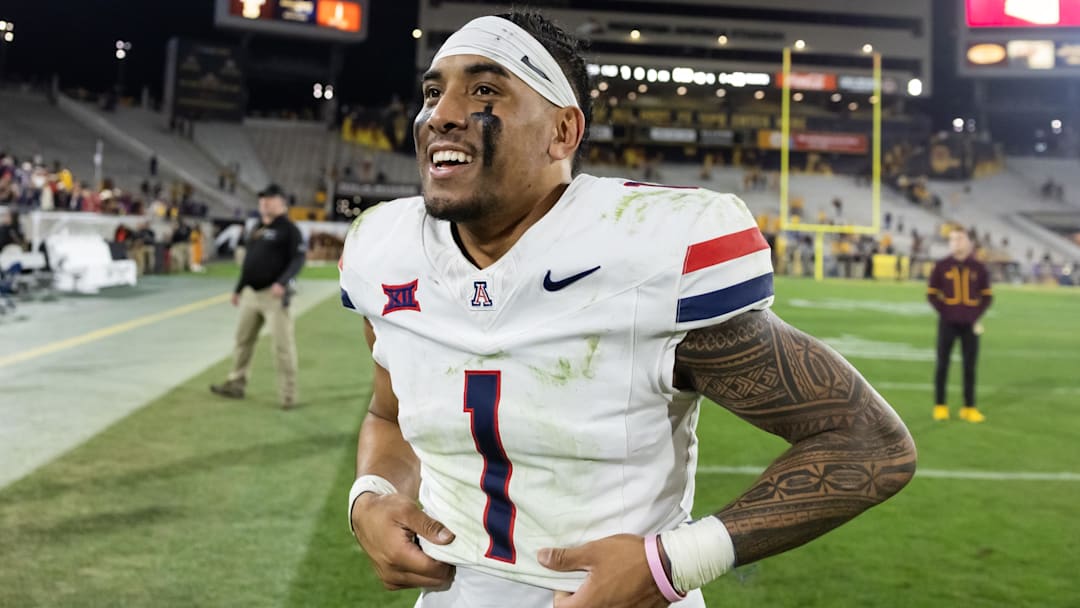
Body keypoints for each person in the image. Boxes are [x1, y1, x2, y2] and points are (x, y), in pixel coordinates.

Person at [339, 11, 916, 608]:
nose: (441, 114)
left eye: (485, 89)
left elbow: (867, 440)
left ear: (563, 131)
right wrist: (372, 494)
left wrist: (672, 563)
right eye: (434, 92)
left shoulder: (645, 252)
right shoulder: (388, 251)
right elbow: (389, 416)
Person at [211, 184, 306, 409]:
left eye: (270, 198)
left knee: (282, 347)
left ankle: (288, 396)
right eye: (262, 199)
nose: (264, 202)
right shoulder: (257, 229)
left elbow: (298, 260)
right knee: (242, 341)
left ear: (282, 202)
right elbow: (249, 263)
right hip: (251, 295)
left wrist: (282, 282)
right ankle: (236, 384)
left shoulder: (289, 230)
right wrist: (238, 288)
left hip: (273, 297)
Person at [927, 227, 992, 423]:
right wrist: (946, 311)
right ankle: (940, 405)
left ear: (969, 242)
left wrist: (974, 314)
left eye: (960, 239)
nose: (956, 242)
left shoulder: (978, 267)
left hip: (970, 325)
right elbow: (931, 294)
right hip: (947, 323)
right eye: (953, 239)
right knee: (942, 364)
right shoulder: (942, 266)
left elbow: (987, 296)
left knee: (970, 366)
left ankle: (969, 407)